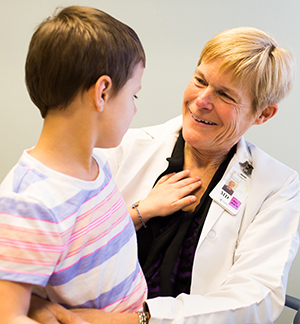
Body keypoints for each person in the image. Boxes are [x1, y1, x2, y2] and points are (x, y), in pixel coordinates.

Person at [29, 27, 300, 324]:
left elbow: (256, 298)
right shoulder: (121, 146)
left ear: (263, 114)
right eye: (200, 81)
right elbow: (45, 237)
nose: (202, 101)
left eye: (224, 95)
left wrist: (139, 320)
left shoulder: (277, 186)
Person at [0, 6, 194, 324]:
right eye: (134, 96)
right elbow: (8, 315)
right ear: (102, 92)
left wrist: (144, 211)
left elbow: (84, 243)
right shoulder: (30, 203)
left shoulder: (95, 165)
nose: (133, 110)